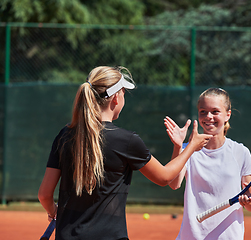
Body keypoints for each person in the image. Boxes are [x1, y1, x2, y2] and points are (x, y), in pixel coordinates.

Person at [38, 66, 212, 240]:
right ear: (115, 98)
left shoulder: (65, 135)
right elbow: (165, 177)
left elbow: (44, 194)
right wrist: (190, 146)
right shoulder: (126, 140)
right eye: (123, 93)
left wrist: (54, 211)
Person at [164, 87, 251, 240]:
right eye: (203, 111)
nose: (208, 116)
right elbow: (174, 184)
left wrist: (246, 202)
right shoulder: (188, 149)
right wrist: (178, 146)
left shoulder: (240, 152)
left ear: (227, 115)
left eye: (215, 111)